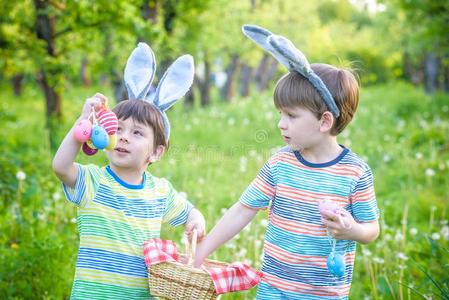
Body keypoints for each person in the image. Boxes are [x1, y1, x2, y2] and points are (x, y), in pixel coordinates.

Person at [194, 25, 380, 299]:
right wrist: (201, 252)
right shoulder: (280, 163)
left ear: (324, 121)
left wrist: (352, 230)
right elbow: (243, 210)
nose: (281, 124)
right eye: (280, 114)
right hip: (273, 288)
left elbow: (371, 230)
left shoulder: (354, 172)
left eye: (291, 116)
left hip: (325, 293)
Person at [52, 43, 205, 299]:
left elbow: (191, 213)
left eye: (137, 133)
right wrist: (83, 123)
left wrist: (196, 223)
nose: (123, 138)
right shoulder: (93, 181)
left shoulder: (160, 192)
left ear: (156, 152)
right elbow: (60, 167)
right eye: (118, 129)